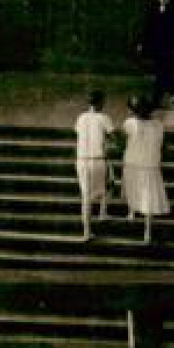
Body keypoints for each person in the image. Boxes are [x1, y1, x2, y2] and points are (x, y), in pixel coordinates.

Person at [121, 97, 170, 245]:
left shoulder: (129, 123)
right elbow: (163, 145)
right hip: (149, 165)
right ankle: (146, 231)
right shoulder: (158, 125)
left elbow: (123, 140)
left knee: (134, 189)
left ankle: (132, 212)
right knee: (148, 198)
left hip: (134, 163)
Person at [74, 91, 115, 242]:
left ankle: (86, 231)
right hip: (97, 159)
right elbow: (113, 138)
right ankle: (102, 213)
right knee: (108, 184)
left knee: (86, 196)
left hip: (81, 160)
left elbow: (79, 134)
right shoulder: (104, 118)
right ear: (100, 102)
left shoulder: (81, 117)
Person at [139, 0, 174, 107]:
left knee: (162, 72)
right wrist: (143, 42)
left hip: (169, 46)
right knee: (163, 72)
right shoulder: (153, 7)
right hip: (157, 45)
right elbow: (148, 26)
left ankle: (157, 98)